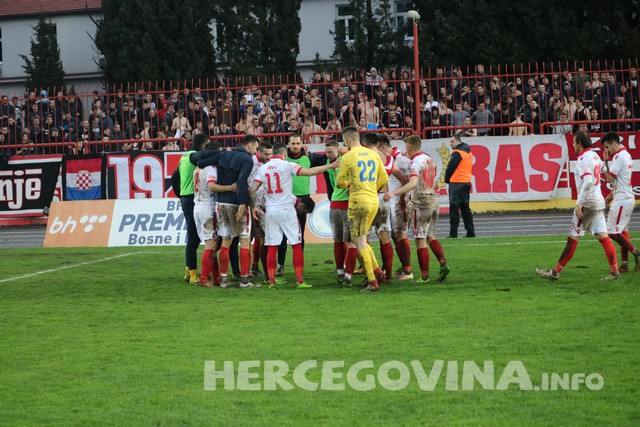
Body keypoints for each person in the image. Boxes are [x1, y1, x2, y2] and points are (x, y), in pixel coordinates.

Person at [250, 142, 338, 289]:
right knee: (296, 245)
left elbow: (253, 189)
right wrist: (329, 166)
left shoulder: (263, 168)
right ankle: (299, 280)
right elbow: (309, 172)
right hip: (286, 209)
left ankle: (271, 281)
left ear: (273, 153)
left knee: (272, 246)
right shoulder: (288, 165)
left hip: (271, 210)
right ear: (284, 154)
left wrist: (253, 207)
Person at [536, 131, 620, 281]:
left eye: (574, 142)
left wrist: (579, 203)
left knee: (573, 238)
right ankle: (614, 271)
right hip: (598, 202)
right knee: (603, 236)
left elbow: (588, 182)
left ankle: (554, 272)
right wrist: (606, 162)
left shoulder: (582, 159)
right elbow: (602, 170)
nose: (573, 145)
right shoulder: (594, 155)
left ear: (580, 143)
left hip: (587, 204)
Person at [196, 135, 260, 288]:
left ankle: (223, 279)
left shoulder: (225, 154)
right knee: (244, 240)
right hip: (236, 203)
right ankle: (245, 280)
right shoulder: (247, 160)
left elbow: (200, 161)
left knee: (225, 240)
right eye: (256, 148)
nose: (255, 152)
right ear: (249, 146)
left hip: (220, 204)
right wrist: (244, 203)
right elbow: (242, 181)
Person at [384, 135, 450, 283]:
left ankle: (424, 276)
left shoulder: (415, 162)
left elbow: (413, 183)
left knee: (420, 239)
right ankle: (442, 261)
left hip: (421, 202)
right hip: (434, 200)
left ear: (409, 148)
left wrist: (394, 192)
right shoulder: (429, 159)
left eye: (406, 148)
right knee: (430, 235)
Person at [336, 126, 388, 292]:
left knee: (358, 241)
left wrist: (348, 184)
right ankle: (378, 272)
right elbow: (384, 178)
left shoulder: (348, 156)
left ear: (348, 140)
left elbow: (339, 182)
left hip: (358, 201)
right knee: (363, 238)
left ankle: (373, 282)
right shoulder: (374, 154)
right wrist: (374, 188)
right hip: (373, 200)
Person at [276, 134, 328, 275]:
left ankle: (299, 265)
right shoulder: (282, 159)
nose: (296, 146)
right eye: (293, 144)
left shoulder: (308, 157)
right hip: (286, 201)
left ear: (302, 144)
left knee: (299, 235)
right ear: (288, 144)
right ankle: (280, 265)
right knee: (282, 236)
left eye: (298, 143)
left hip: (303, 201)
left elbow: (327, 157)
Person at [192, 140, 237, 287]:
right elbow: (211, 186)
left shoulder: (197, 169)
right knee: (211, 245)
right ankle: (204, 278)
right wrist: (230, 187)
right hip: (207, 208)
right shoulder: (211, 168)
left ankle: (216, 278)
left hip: (197, 206)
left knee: (211, 243)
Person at [601, 132, 640, 272]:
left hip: (622, 200)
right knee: (622, 231)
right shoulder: (626, 155)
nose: (607, 151)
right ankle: (624, 264)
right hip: (625, 196)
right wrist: (611, 195)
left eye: (607, 147)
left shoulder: (618, 156)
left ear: (614, 144)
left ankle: (635, 251)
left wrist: (605, 162)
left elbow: (610, 179)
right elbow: (621, 180)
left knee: (611, 231)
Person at [376, 135, 413, 280]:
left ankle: (407, 271)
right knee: (387, 235)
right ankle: (390, 269)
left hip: (397, 203)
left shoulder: (401, 160)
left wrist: (403, 199)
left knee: (399, 235)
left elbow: (408, 180)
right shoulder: (390, 159)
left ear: (382, 147)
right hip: (389, 202)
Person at [325, 140, 358, 284]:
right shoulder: (350, 161)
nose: (328, 155)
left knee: (338, 240)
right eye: (326, 152)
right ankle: (347, 274)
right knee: (351, 241)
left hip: (334, 203)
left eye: (330, 152)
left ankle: (340, 271)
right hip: (347, 203)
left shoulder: (332, 165)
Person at [177, 132, 208, 285]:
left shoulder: (183, 157)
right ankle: (193, 274)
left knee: (193, 238)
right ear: (203, 145)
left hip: (186, 197)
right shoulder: (193, 156)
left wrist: (180, 195)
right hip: (191, 198)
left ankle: (189, 270)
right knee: (193, 238)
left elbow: (175, 177)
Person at [444, 133, 475, 238]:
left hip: (456, 183)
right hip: (466, 182)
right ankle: (471, 233)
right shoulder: (468, 152)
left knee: (454, 209)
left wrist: (446, 179)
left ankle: (453, 234)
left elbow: (450, 168)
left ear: (458, 141)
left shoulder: (457, 153)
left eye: (452, 141)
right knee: (465, 209)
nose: (450, 144)